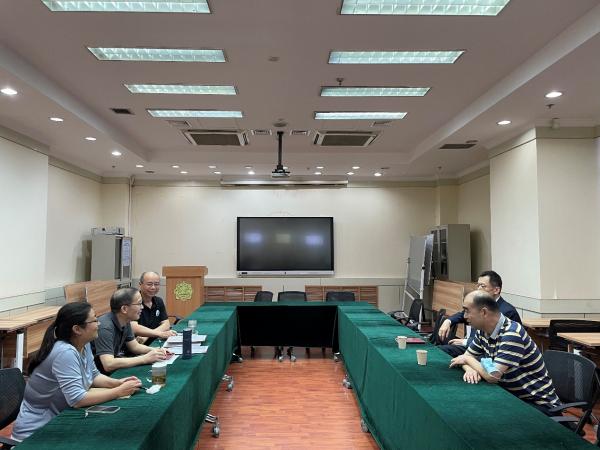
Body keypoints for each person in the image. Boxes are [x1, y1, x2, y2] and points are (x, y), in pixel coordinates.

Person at [11, 302, 141, 441]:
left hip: (60, 421)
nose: (99, 323)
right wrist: (118, 391)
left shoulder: (84, 344)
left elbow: (93, 375)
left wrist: (117, 383)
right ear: (77, 329)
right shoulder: (65, 352)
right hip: (37, 433)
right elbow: (77, 400)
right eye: (94, 320)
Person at [449, 290, 560, 416]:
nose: (464, 316)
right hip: (511, 396)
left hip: (539, 406)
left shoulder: (511, 333)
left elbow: (492, 376)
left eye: (467, 311)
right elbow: (466, 356)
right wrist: (470, 369)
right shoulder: (483, 331)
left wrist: (468, 361)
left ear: (483, 312)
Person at [438, 270, 521, 357]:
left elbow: (498, 343)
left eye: (483, 286)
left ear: (496, 290)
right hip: (474, 347)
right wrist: (448, 321)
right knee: (440, 350)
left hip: (487, 353)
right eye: (478, 285)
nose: (479, 289)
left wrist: (466, 342)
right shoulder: (480, 304)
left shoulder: (507, 311)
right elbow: (463, 315)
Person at [93, 287, 168, 374]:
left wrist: (156, 350)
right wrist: (145, 358)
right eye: (139, 304)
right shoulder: (105, 327)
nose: (142, 307)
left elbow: (134, 347)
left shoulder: (125, 320)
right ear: (124, 309)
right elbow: (108, 364)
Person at [131, 271, 177, 344]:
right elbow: (134, 327)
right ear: (140, 284)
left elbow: (166, 324)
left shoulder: (159, 301)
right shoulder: (133, 302)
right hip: (137, 344)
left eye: (156, 284)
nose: (153, 287)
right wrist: (159, 333)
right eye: (149, 284)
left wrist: (147, 336)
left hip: (155, 341)